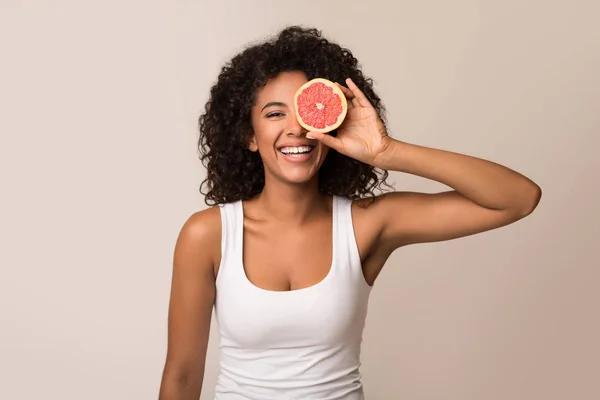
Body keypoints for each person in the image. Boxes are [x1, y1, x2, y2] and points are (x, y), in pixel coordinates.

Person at [158, 26, 541, 400]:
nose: (297, 129)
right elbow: (182, 375)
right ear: (249, 136)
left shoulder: (368, 224)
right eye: (275, 114)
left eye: (309, 112)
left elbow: (518, 198)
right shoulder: (208, 235)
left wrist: (387, 151)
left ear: (332, 121)